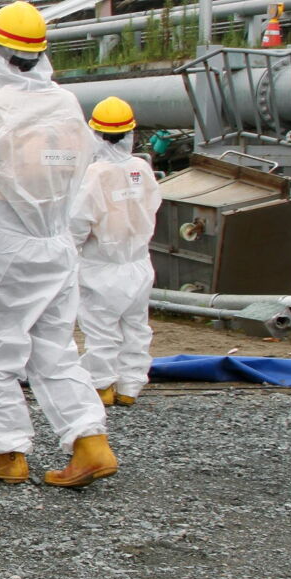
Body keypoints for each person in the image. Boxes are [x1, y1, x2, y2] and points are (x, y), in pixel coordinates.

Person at [0, 0, 117, 487]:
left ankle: (8, 452)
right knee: (54, 348)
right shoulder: (67, 104)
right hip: (56, 244)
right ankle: (90, 442)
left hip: (6, 248)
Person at [73, 96, 162, 407]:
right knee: (136, 327)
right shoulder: (142, 168)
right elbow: (153, 206)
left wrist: (68, 251)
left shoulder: (94, 174)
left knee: (101, 330)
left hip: (102, 265)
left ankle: (101, 386)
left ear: (96, 134)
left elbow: (78, 222)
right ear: (129, 133)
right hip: (138, 262)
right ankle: (130, 386)